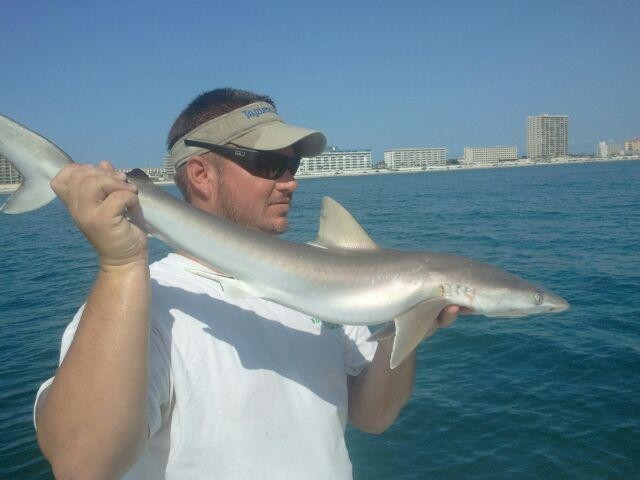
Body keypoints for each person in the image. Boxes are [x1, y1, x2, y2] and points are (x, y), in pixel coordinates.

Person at [34, 88, 463, 479]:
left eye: (293, 165)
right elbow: (82, 466)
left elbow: (374, 416)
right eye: (270, 164)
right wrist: (121, 265)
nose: (290, 181)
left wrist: (405, 324)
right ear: (201, 175)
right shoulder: (147, 305)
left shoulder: (331, 288)